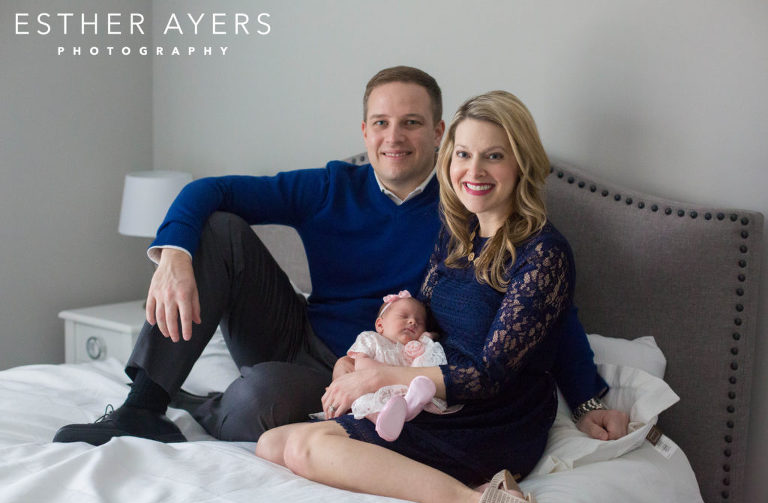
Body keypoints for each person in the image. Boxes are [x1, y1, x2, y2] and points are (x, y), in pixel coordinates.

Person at [52, 66, 627, 448]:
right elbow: (212, 190)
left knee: (255, 401)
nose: (393, 137)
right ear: (365, 130)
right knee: (220, 228)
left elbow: (546, 310)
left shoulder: (466, 207)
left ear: (438, 133)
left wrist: (586, 398)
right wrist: (174, 253)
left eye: (411, 123)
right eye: (381, 123)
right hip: (294, 331)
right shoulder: (332, 185)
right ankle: (143, 406)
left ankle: (199, 404)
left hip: (369, 364)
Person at [255, 90, 567, 503]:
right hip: (431, 393)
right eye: (463, 154)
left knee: (302, 449)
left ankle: (474, 502)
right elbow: (421, 316)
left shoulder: (543, 253)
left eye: (493, 156)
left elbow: (489, 376)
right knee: (270, 444)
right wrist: (357, 361)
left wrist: (378, 379)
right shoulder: (457, 234)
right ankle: (479, 485)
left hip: (492, 415)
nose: (474, 170)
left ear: (521, 163)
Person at [342, 290, 458, 441]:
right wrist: (388, 373)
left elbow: (429, 358)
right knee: (363, 400)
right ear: (380, 325)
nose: (412, 322)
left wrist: (428, 337)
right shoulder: (371, 339)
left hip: (405, 390)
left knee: (419, 386)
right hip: (372, 389)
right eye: (404, 316)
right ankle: (381, 420)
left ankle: (410, 407)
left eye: (419, 322)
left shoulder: (416, 346)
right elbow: (362, 365)